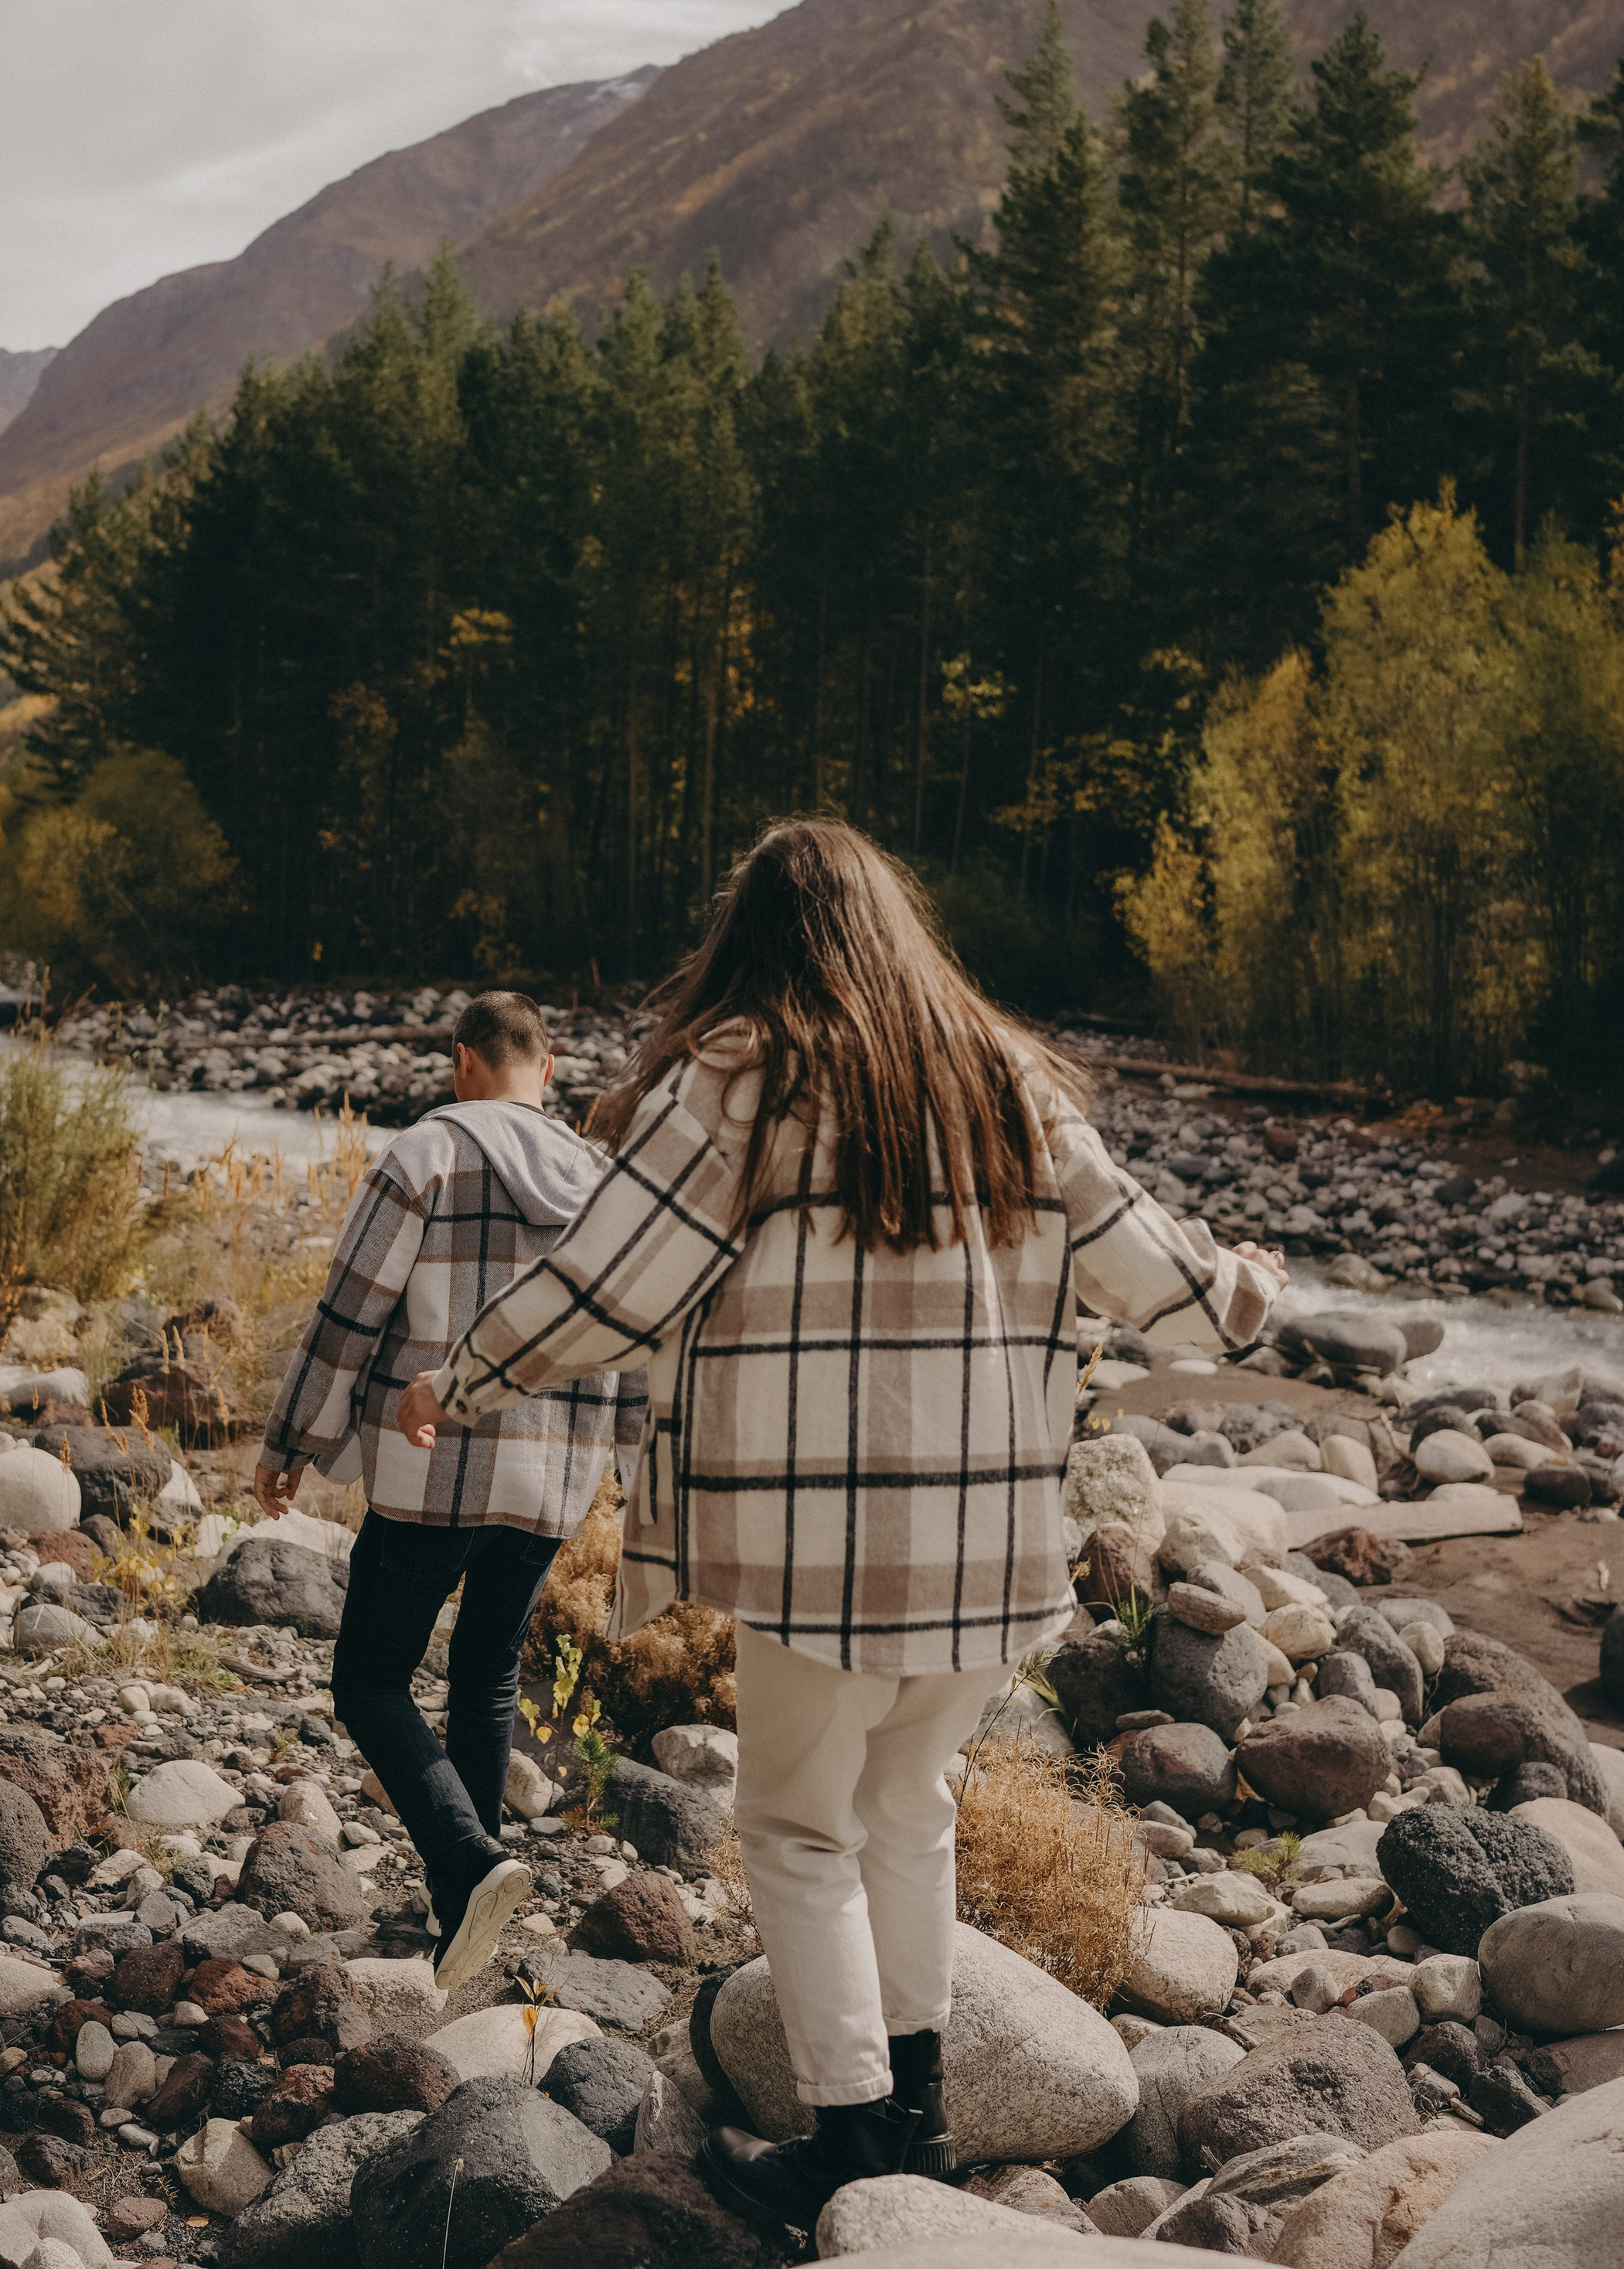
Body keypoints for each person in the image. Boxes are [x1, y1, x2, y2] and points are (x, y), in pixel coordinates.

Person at [398, 820, 1285, 2235]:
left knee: (796, 1824)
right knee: (907, 1807)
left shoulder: (741, 1075)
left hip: (820, 1555)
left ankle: (855, 2129)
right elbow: (1163, 1281)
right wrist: (1250, 1288)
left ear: (754, 938)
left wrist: (471, 1371)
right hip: (989, 1559)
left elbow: (617, 1281)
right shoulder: (1005, 1079)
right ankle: (915, 2110)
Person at [255, 989, 645, 1991]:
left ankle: (467, 1858)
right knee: (487, 1675)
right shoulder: (605, 1180)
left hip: (434, 1469)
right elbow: (639, 1327)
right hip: (556, 1478)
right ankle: (462, 1911)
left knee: (369, 1679)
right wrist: (641, 1466)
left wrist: (294, 1437)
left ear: (462, 1060)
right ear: (546, 1069)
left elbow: (350, 1312)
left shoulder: (423, 1155)